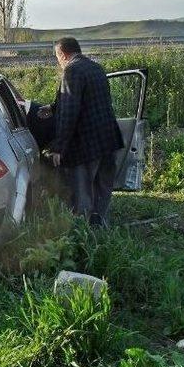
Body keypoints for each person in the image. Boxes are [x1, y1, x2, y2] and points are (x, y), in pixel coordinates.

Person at [39, 37, 124, 227]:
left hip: (87, 145)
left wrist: (59, 147)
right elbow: (89, 100)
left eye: (57, 57)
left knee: (81, 194)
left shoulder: (71, 70)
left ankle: (82, 237)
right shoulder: (96, 68)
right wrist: (54, 107)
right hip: (109, 141)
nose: (58, 62)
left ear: (63, 54)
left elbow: (70, 111)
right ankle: (99, 231)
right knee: (102, 191)